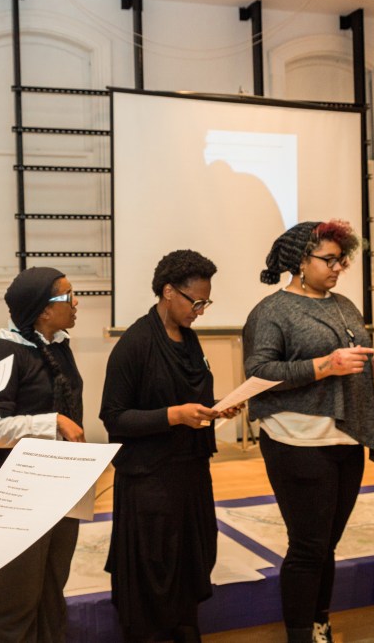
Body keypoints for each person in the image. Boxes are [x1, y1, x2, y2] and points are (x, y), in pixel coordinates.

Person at [242, 220, 374, 643]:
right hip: (297, 439)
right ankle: (299, 635)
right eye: (328, 259)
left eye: (340, 260)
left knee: (326, 543)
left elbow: (352, 361)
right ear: (299, 260)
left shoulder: (344, 304)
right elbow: (259, 371)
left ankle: (319, 624)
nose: (337, 267)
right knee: (308, 546)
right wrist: (323, 365)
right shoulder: (271, 310)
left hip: (345, 439)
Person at [101, 249, 233, 643]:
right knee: (153, 566)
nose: (201, 311)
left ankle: (184, 627)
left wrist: (219, 408)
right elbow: (114, 417)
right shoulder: (134, 344)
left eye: (206, 302)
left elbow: (190, 397)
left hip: (190, 473)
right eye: (197, 302)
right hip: (149, 481)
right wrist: (173, 416)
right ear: (168, 292)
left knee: (191, 559)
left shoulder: (190, 342)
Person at [0, 267, 86, 642]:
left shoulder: (58, 345)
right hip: (16, 496)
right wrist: (51, 421)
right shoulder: (4, 352)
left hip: (60, 489)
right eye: (67, 296)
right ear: (42, 310)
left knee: (51, 596)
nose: (75, 303)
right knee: (16, 603)